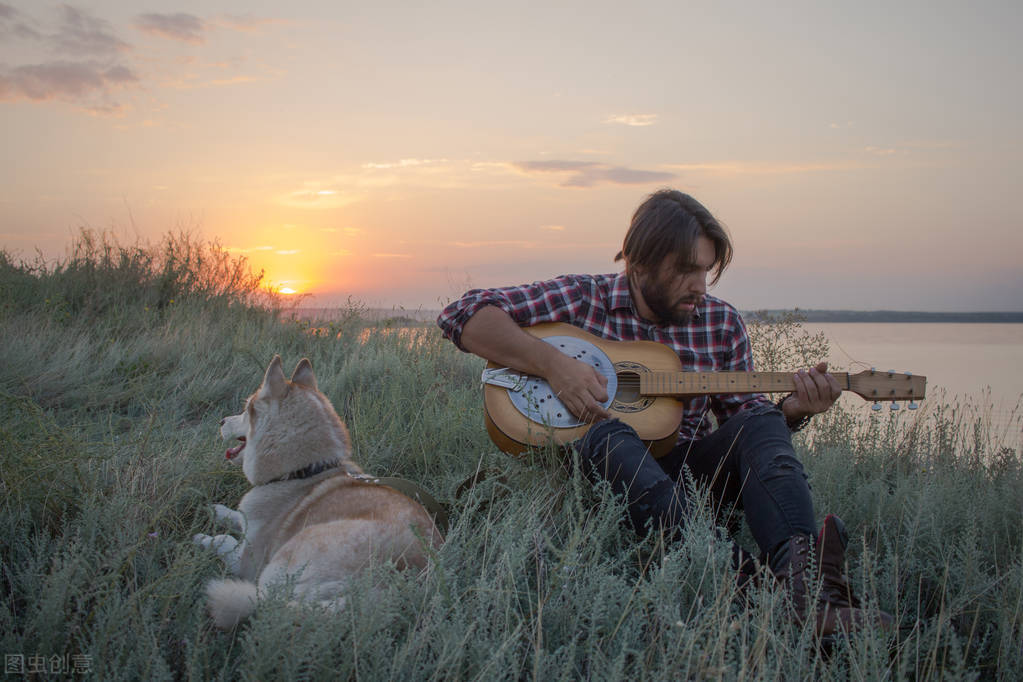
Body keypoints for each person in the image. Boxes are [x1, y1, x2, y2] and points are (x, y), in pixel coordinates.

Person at [436, 189, 893, 636]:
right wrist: (555, 365)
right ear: (638, 265)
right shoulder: (582, 298)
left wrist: (792, 413)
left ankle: (810, 591)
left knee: (762, 420)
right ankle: (742, 581)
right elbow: (464, 314)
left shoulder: (720, 322)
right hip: (599, 487)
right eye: (685, 271)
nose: (701, 285)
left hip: (686, 483)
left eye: (707, 270)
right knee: (609, 434)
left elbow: (745, 427)